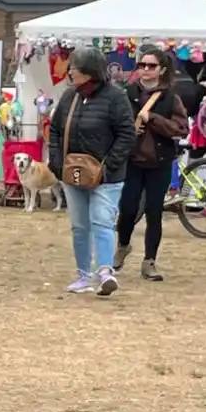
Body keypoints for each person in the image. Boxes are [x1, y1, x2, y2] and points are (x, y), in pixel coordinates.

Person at [48, 45, 136, 297]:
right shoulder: (69, 97)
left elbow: (126, 135)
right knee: (79, 226)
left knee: (102, 222)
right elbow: (55, 130)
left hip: (106, 177)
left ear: (90, 72)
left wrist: (108, 167)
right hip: (73, 172)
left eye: (75, 67)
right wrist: (56, 161)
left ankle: (105, 272)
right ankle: (83, 275)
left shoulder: (116, 97)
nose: (70, 72)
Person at [116, 47, 188, 282]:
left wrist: (153, 119)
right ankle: (123, 245)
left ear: (162, 69)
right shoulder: (126, 93)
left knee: (154, 212)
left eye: (151, 66)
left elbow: (180, 129)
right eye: (142, 65)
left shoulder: (171, 97)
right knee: (127, 209)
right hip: (132, 161)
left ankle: (149, 261)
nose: (146, 70)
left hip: (160, 162)